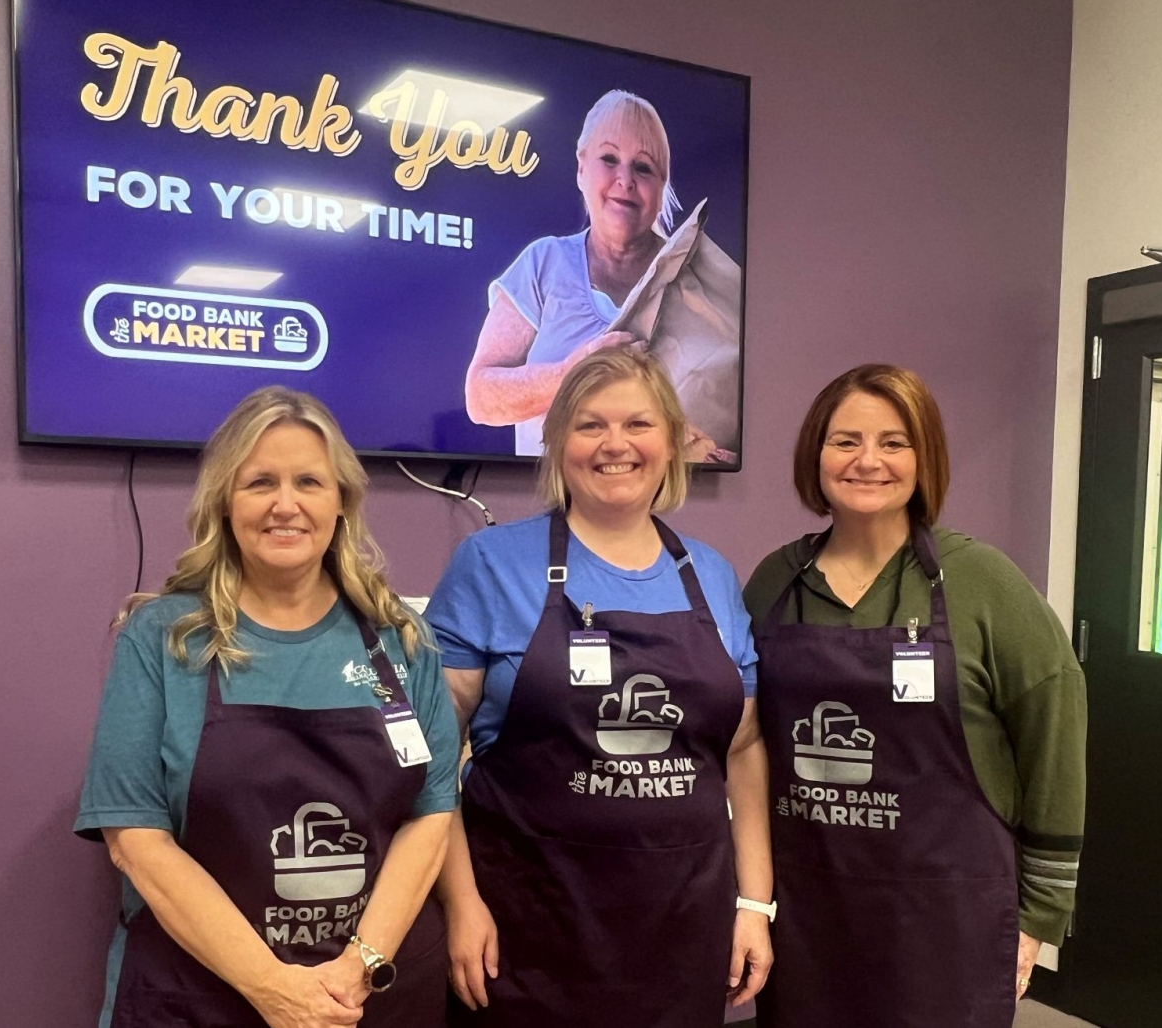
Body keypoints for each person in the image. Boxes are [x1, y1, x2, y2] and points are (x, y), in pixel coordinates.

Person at [75, 386, 460, 1028]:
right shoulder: (164, 638)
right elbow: (136, 840)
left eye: (309, 481)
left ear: (341, 502)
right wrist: (274, 989)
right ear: (226, 503)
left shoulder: (401, 638)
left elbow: (431, 813)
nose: (286, 505)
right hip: (200, 995)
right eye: (260, 483)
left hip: (368, 998)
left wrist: (354, 969)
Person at [427, 347, 772, 1027]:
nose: (616, 444)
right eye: (590, 425)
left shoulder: (712, 576)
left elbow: (744, 747)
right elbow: (433, 754)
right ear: (557, 444)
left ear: (671, 442)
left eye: (638, 424)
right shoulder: (491, 565)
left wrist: (755, 904)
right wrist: (460, 903)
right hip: (524, 926)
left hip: (681, 928)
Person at [743, 364, 1087, 1028]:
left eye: (894, 442)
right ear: (815, 453)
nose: (868, 460)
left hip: (947, 922)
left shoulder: (982, 581)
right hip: (808, 917)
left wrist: (1039, 915)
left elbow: (1055, 731)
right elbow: (742, 738)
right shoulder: (775, 583)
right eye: (845, 441)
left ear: (924, 457)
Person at [464, 89, 742, 462]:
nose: (625, 179)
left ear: (662, 185)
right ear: (581, 168)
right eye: (609, 158)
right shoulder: (542, 264)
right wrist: (570, 373)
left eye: (643, 167)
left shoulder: (705, 278)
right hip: (554, 506)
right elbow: (480, 398)